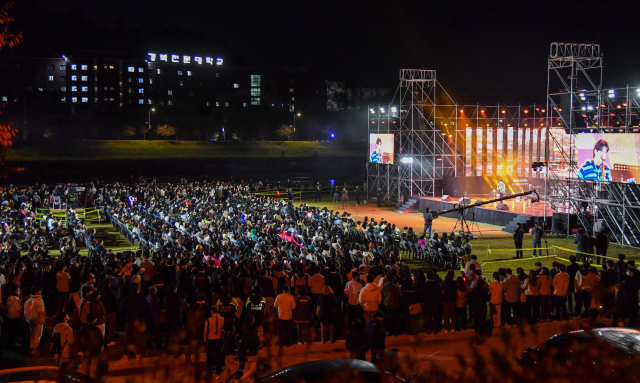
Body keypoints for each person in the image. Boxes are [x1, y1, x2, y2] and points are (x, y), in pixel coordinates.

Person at [119, 282, 151, 362]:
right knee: (139, 339)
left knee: (128, 339)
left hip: (129, 320)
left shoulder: (126, 299)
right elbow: (148, 310)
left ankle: (126, 356)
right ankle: (138, 354)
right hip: (139, 321)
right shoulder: (143, 298)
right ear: (138, 289)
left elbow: (121, 311)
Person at [77, 312, 105, 379]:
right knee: (93, 370)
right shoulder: (96, 329)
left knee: (84, 369)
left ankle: (82, 380)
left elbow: (80, 340)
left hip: (86, 352)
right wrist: (97, 349)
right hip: (94, 352)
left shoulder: (83, 329)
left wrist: (83, 349)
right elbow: (101, 341)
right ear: (94, 320)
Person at [238, 315, 262, 383]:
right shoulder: (253, 329)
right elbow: (254, 340)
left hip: (247, 351)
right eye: (253, 318)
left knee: (249, 367)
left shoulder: (245, 328)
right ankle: (241, 380)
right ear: (251, 320)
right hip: (252, 350)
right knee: (253, 368)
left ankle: (251, 380)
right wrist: (259, 343)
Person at [24, 286, 46, 355]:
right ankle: (34, 349)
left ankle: (32, 347)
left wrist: (27, 319)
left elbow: (25, 311)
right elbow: (41, 312)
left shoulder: (28, 300)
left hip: (30, 320)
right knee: (38, 335)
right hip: (38, 320)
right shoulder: (39, 300)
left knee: (32, 334)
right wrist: (42, 320)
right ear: (37, 292)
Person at [204, 306, 225, 376]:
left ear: (212, 311)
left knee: (209, 356)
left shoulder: (208, 320)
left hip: (211, 339)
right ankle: (218, 370)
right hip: (219, 340)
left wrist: (205, 340)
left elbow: (205, 331)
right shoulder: (222, 319)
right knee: (219, 356)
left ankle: (208, 370)